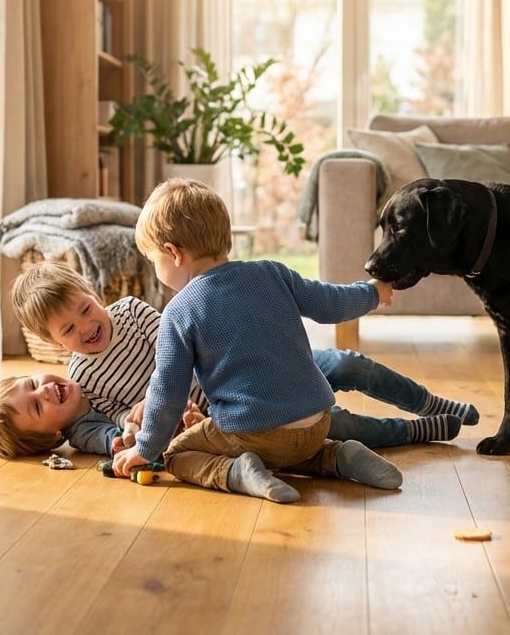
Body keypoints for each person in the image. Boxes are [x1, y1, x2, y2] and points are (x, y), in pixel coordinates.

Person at [0, 261, 479, 459]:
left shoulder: (132, 311)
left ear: (93, 291)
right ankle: (420, 430)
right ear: (51, 339)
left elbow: (183, 354)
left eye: (85, 308)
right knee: (338, 424)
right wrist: (135, 430)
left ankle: (430, 402)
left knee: (347, 364)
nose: (86, 326)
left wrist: (157, 398)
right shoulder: (86, 381)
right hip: (234, 407)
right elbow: (113, 432)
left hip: (257, 362)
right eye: (69, 329)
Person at [110, 177, 410, 503]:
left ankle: (237, 473)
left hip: (255, 433)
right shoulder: (273, 273)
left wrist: (146, 447)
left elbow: (167, 392)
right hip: (316, 424)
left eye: (154, 261)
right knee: (287, 445)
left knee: (176, 455)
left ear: (173, 253)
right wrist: (372, 292)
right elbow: (330, 303)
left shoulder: (178, 312)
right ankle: (338, 456)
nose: (156, 270)